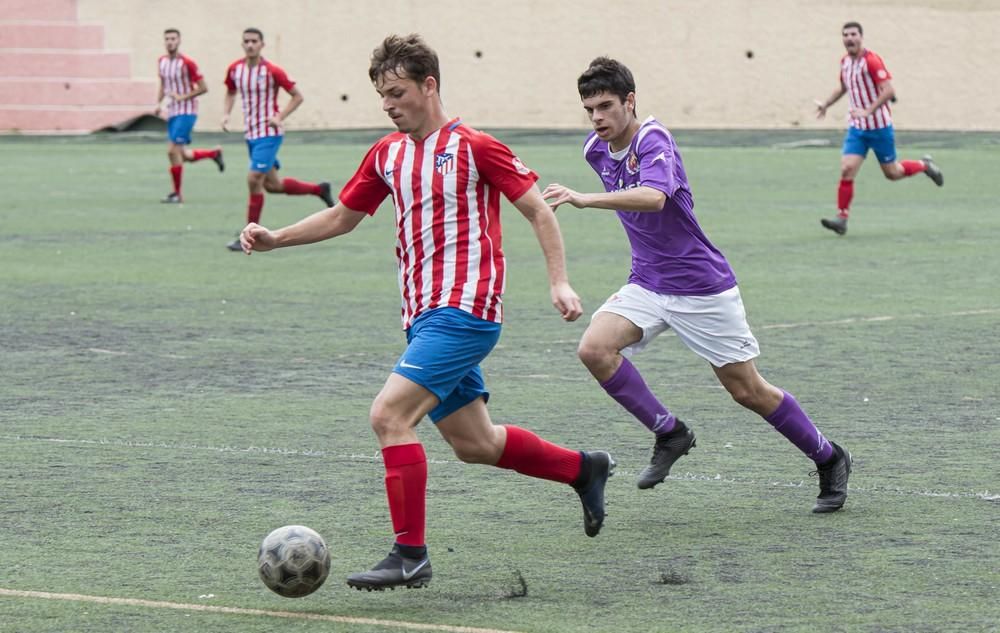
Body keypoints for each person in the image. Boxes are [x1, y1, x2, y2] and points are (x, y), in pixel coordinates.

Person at [238, 34, 614, 590]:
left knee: (390, 416)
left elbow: (538, 210)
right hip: (423, 316)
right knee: (475, 444)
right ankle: (583, 468)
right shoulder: (386, 154)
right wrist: (277, 238)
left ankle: (409, 554)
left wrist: (559, 282)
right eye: (381, 95)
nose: (388, 104)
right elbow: (343, 216)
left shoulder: (475, 146)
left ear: (428, 85)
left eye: (397, 91)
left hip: (465, 311)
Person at [542, 57, 851, 514]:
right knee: (594, 349)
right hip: (647, 283)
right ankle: (670, 432)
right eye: (590, 109)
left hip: (701, 287)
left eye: (606, 106)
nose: (597, 117)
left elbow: (654, 197)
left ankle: (829, 457)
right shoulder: (595, 149)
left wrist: (586, 200)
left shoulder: (654, 139)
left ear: (631, 101)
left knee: (747, 391)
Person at [814, 21, 942, 236]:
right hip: (857, 129)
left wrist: (867, 110)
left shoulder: (872, 61)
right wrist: (826, 104)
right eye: (845, 35)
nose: (849, 38)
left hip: (879, 128)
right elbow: (844, 87)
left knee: (892, 173)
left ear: (861, 37)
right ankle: (842, 219)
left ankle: (924, 165)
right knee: (847, 169)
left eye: (853, 34)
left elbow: (889, 91)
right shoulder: (845, 62)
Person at [221, 27, 334, 251]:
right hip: (251, 134)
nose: (250, 44)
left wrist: (279, 117)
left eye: (254, 41)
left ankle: (250, 233)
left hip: (269, 134)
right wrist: (225, 113)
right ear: (242, 44)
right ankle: (319, 190)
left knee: (254, 180)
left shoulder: (272, 70)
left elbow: (297, 96)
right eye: (247, 41)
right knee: (272, 185)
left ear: (262, 45)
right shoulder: (235, 69)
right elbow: (231, 91)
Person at [154, 28, 224, 204]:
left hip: (187, 111)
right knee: (182, 154)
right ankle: (213, 154)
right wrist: (158, 103)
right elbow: (163, 84)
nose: (170, 42)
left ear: (179, 41)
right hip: (172, 112)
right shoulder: (162, 62)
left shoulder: (187, 63)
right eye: (167, 39)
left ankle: (177, 194)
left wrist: (183, 97)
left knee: (172, 151)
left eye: (173, 39)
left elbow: (203, 87)